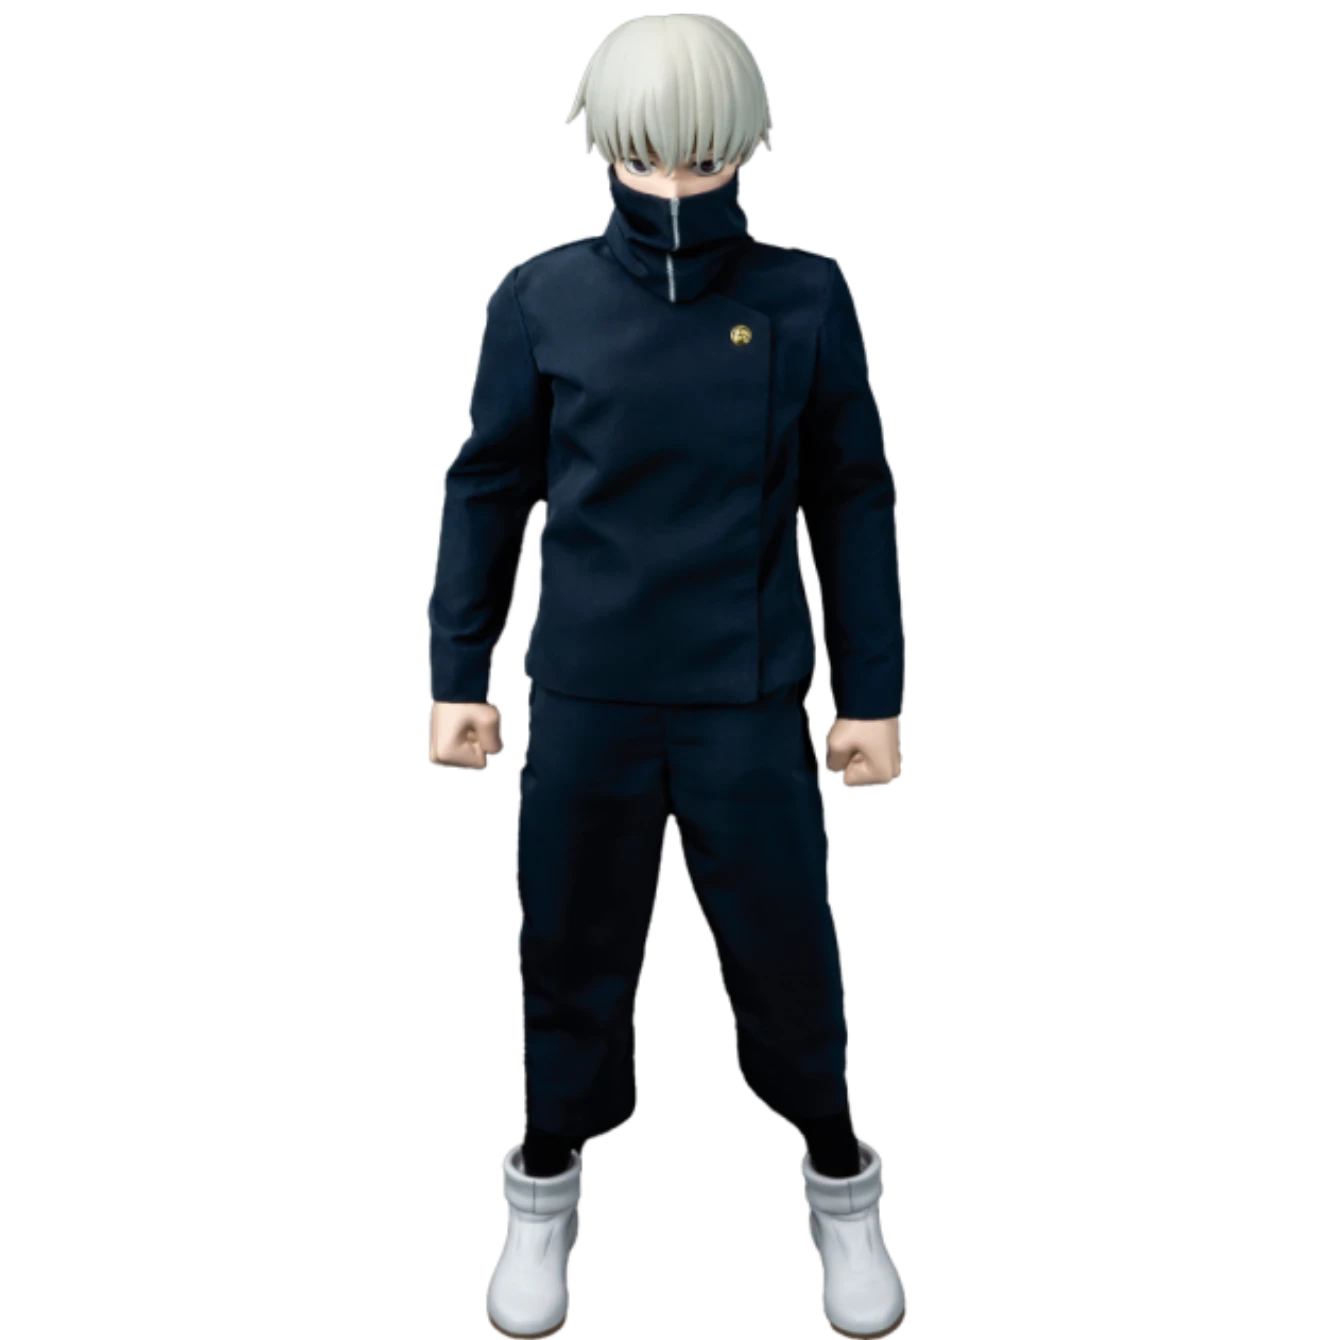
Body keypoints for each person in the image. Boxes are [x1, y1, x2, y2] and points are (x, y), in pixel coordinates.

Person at [428, 11, 906, 1338]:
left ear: (745, 147)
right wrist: (459, 672)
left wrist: (872, 692)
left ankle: (842, 1187)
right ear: (605, 147)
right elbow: (487, 487)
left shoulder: (807, 292)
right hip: (586, 685)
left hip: (749, 690)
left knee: (786, 946)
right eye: (649, 154)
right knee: (569, 938)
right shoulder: (541, 296)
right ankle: (540, 1189)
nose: (676, 184)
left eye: (703, 155)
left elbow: (854, 496)